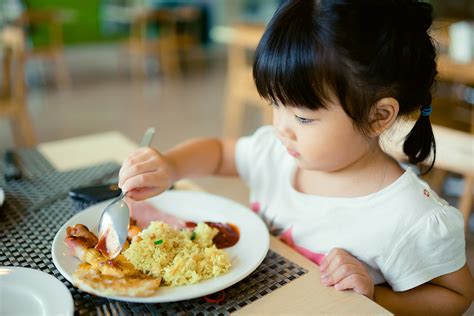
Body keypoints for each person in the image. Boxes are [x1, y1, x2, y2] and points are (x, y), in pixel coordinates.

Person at [118, 0, 474, 314]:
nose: (282, 127)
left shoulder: (412, 217)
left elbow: (456, 296)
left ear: (378, 116)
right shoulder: (279, 153)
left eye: (303, 116)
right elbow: (219, 153)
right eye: (275, 105)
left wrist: (375, 294)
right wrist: (171, 166)